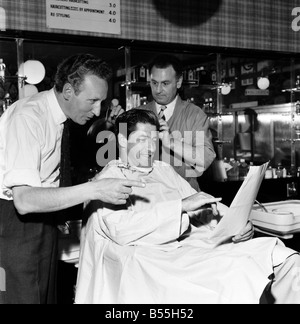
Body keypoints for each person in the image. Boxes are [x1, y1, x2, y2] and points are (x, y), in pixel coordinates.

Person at [75, 109, 300, 304]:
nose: (151, 147)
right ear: (123, 140)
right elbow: (120, 229)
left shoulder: (163, 170)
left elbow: (202, 203)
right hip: (158, 257)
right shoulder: (109, 179)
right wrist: (180, 206)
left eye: (154, 139)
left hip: (194, 244)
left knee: (288, 258)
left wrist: (236, 224)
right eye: (142, 139)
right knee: (238, 272)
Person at [0, 54, 145, 304]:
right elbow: (24, 201)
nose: (97, 109)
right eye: (92, 100)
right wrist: (95, 189)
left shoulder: (62, 119)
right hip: (16, 228)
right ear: (68, 91)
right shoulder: (28, 117)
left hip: (42, 225)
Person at [138, 54, 216, 191]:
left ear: (178, 82)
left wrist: (172, 143)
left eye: (165, 83)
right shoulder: (139, 114)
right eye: (154, 83)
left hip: (186, 196)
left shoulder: (194, 115)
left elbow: (205, 159)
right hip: (148, 199)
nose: (158, 90)